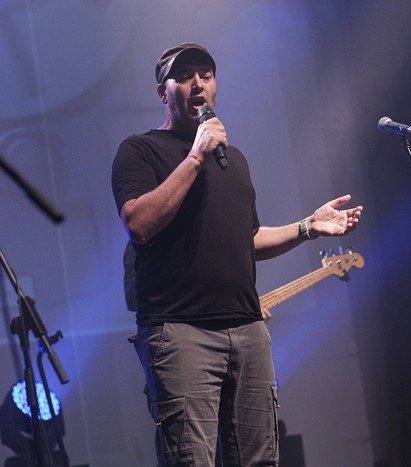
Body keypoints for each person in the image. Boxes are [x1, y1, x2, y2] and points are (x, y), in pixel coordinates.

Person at [111, 42, 362, 467]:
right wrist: (195, 157)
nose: (198, 84)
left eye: (206, 76)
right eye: (185, 76)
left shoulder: (235, 160)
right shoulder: (140, 151)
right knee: (193, 459)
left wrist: (307, 227)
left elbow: (245, 239)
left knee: (260, 460)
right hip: (181, 333)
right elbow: (139, 224)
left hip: (247, 331)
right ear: (162, 92)